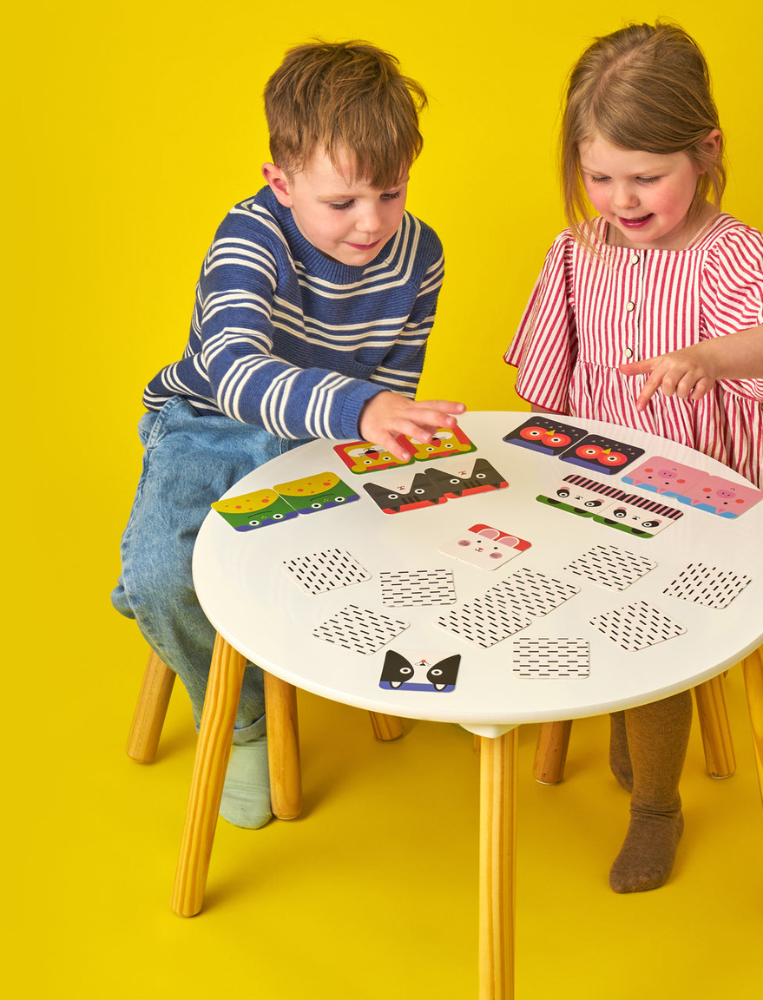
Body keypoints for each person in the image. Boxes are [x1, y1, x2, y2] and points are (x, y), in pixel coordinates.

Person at [505, 22, 763, 893]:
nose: (621, 198)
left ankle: (656, 805)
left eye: (647, 177)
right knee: (563, 586)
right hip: (598, 488)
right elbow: (550, 382)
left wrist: (715, 358)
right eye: (600, 175)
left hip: (707, 503)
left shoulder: (730, 255)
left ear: (707, 151)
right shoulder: (579, 254)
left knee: (648, 627)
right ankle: (635, 712)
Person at [112, 41, 464, 830]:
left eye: (392, 191)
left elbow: (392, 387)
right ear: (282, 182)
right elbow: (234, 369)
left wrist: (385, 435)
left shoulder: (422, 254)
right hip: (210, 428)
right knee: (167, 576)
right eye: (342, 203)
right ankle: (241, 722)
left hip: (326, 442)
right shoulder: (249, 237)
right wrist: (362, 408)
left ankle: (308, 656)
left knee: (396, 550)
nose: (371, 221)